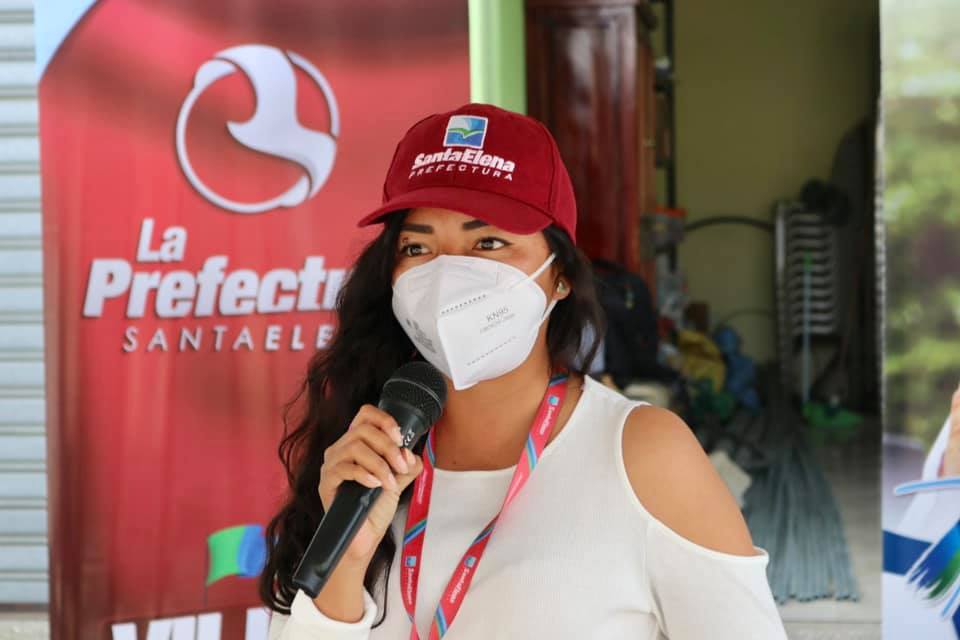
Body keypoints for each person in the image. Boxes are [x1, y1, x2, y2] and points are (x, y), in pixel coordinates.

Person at [260, 103, 786, 639]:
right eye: (417, 246)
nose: (448, 273)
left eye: (488, 243)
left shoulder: (645, 455)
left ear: (560, 275)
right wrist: (345, 568)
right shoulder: (360, 455)